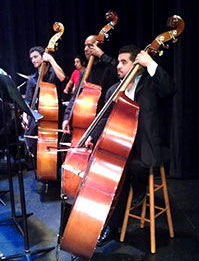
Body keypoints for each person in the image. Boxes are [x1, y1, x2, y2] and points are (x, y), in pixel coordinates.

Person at [84, 44, 176, 246]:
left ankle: (132, 198)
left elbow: (170, 89)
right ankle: (105, 223)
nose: (118, 66)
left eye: (123, 62)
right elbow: (104, 118)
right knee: (109, 171)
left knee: (123, 172)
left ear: (137, 64)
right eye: (118, 62)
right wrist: (92, 137)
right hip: (122, 145)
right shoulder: (113, 90)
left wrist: (151, 62)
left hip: (146, 146)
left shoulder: (149, 84)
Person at [62, 35, 118, 133]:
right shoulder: (84, 72)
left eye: (89, 46)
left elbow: (118, 70)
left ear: (98, 47)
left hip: (105, 122)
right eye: (85, 46)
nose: (85, 49)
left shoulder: (109, 68)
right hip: (85, 121)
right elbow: (75, 97)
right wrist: (67, 117)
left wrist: (102, 55)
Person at [21, 46, 65, 171]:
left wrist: (51, 59)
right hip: (38, 118)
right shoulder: (32, 80)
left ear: (43, 56)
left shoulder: (53, 73)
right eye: (31, 58)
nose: (33, 60)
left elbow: (62, 78)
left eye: (36, 57)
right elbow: (28, 101)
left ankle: (54, 174)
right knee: (30, 139)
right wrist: (25, 115)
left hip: (54, 116)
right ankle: (40, 170)